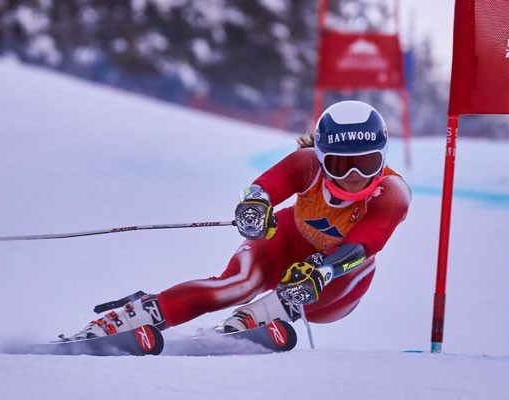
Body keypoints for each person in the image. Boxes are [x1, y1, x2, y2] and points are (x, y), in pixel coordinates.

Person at [68, 100, 411, 340]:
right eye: (339, 164)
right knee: (238, 284)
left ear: (382, 158)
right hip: (287, 237)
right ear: (322, 159)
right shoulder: (306, 163)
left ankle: (260, 316)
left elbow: (366, 241)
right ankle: (140, 315)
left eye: (366, 163)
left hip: (342, 278)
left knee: (303, 294)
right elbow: (266, 188)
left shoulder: (392, 193)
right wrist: (255, 208)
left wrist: (323, 268)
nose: (354, 176)